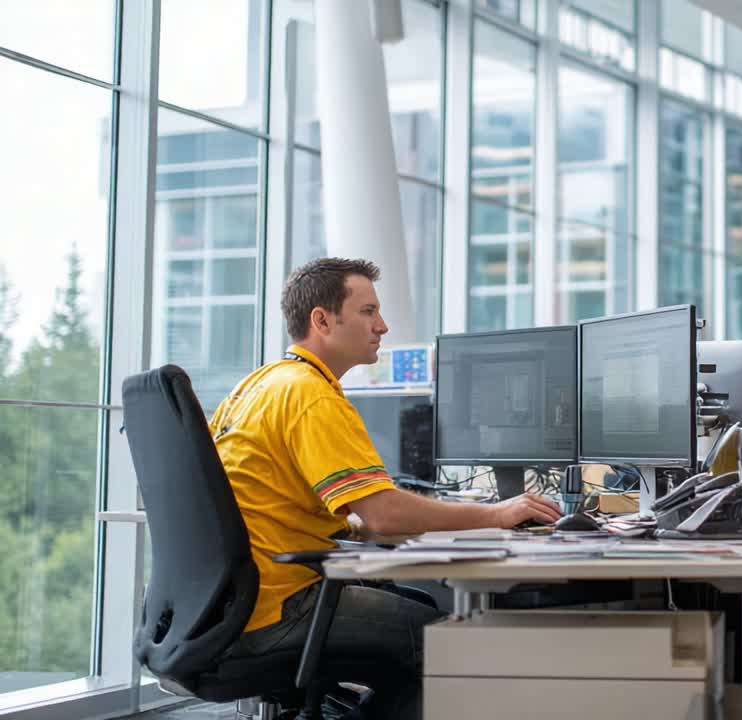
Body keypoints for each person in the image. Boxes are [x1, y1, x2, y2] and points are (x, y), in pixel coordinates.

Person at [213, 257, 562, 717]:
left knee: (415, 606)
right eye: (367, 311)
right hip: (278, 608)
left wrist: (353, 525)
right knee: (456, 643)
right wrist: (498, 514)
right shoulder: (310, 394)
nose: (383, 325)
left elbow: (268, 498)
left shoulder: (260, 384)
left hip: (230, 606)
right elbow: (384, 514)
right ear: (322, 319)